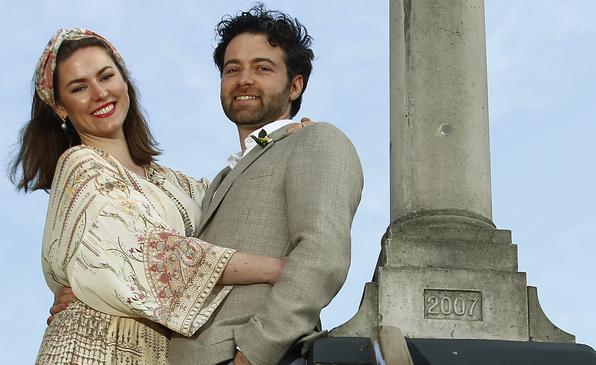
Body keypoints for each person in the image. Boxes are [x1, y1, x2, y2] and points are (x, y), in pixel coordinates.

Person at [10, 28, 298, 365]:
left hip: (162, 353)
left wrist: (285, 137)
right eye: (79, 88)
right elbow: (147, 253)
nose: (100, 93)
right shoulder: (80, 166)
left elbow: (237, 200)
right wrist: (280, 269)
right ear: (60, 107)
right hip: (92, 348)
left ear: (124, 81)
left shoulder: (176, 184)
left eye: (107, 76)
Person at [167, 5, 364, 365]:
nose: (244, 79)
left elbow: (321, 257)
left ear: (295, 85)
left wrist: (253, 354)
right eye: (232, 69)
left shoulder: (315, 139)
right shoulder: (220, 179)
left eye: (263, 68)